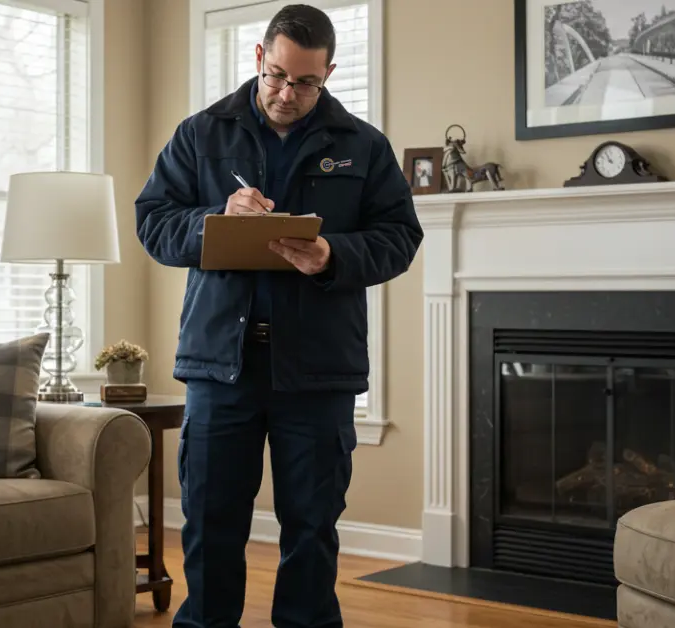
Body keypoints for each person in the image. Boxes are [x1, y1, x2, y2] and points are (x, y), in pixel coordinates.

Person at [134, 4, 423, 626]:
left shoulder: (363, 146)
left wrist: (332, 255)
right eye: (278, 76)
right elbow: (153, 222)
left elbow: (400, 237)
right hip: (219, 368)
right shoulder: (201, 133)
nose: (288, 93)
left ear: (329, 74)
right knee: (211, 527)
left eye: (306, 82)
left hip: (318, 372)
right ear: (259, 57)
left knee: (311, 530)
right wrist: (215, 218)